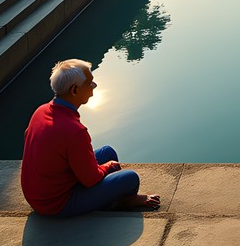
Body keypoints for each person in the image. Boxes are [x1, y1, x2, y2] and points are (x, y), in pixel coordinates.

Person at [21, 59, 160, 217]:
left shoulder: (41, 111)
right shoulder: (75, 131)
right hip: (57, 203)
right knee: (129, 178)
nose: (94, 86)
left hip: (38, 194)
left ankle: (115, 198)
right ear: (74, 90)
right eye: (90, 83)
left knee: (107, 152)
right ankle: (122, 201)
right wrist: (109, 167)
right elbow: (91, 179)